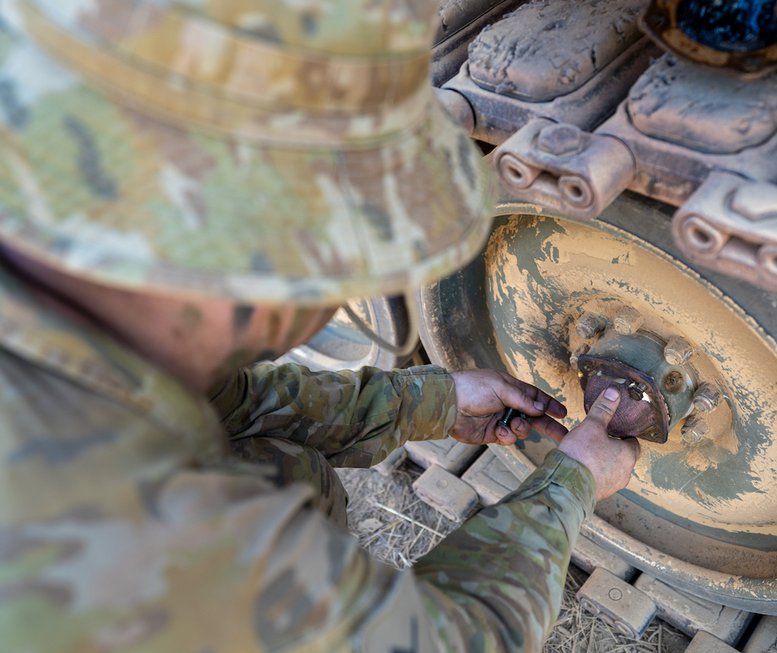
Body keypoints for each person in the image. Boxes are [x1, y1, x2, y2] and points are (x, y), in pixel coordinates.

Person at [0, 1, 641, 652]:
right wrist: (568, 484)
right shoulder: (103, 534)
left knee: (274, 464)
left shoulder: (75, 315)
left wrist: (432, 400)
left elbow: (233, 403)